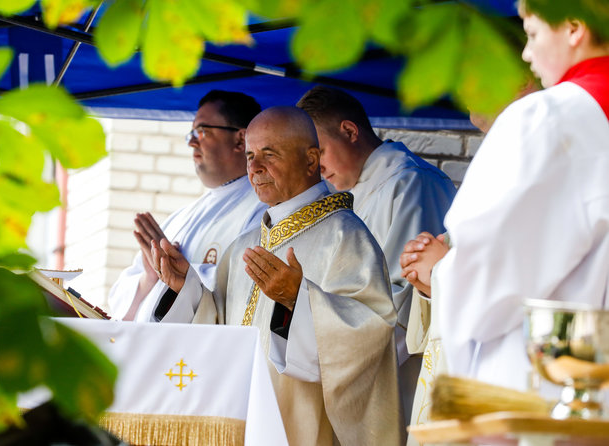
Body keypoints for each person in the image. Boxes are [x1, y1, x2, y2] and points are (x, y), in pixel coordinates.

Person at [150, 106, 404, 446]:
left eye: (269, 154)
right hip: (241, 421)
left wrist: (298, 301)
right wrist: (187, 288)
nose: (254, 168)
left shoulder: (344, 237)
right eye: (251, 155)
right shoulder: (243, 244)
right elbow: (222, 330)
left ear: (311, 160)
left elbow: (370, 336)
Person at [431, 0, 609, 393]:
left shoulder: (546, 117)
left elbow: (486, 280)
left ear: (574, 28)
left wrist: (442, 272)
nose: (527, 55)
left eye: (532, 34)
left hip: (542, 384)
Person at [296, 86, 456, 424]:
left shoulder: (409, 182)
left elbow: (405, 297)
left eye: (320, 151)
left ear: (350, 131)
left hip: (388, 377)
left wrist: (342, 373)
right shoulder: (352, 192)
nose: (317, 168)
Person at [107, 90, 267, 321]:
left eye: (202, 131)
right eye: (191, 133)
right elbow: (120, 304)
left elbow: (245, 284)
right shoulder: (179, 219)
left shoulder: (262, 209)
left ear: (240, 140)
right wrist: (151, 277)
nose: (191, 142)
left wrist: (178, 272)